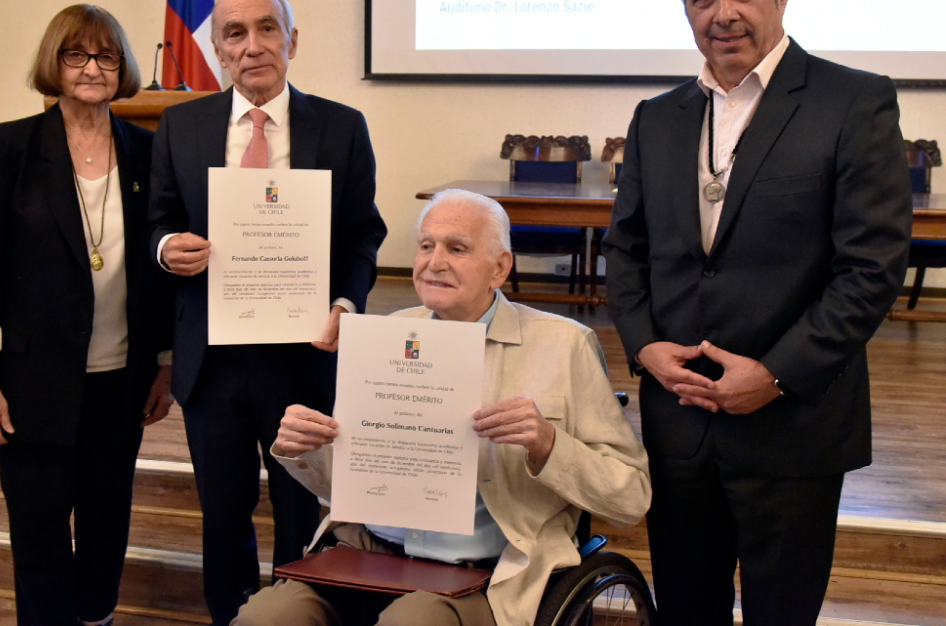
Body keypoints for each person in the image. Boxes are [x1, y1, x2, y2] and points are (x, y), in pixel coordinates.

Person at [602, 0, 912, 626]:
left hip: (792, 423)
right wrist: (646, 347)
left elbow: (869, 269)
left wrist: (772, 375)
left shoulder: (852, 102)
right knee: (686, 608)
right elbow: (628, 251)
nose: (723, 12)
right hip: (678, 421)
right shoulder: (659, 117)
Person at [233, 189, 651, 626]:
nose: (434, 262)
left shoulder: (564, 346)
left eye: (457, 248)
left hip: (488, 572)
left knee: (414, 620)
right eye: (426, 245)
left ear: (500, 267)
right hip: (369, 555)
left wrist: (549, 445)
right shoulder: (389, 333)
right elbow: (345, 487)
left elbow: (630, 498)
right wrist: (306, 449)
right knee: (266, 616)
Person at [149, 0, 387, 624]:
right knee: (221, 512)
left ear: (292, 40)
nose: (252, 46)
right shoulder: (181, 125)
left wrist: (345, 300)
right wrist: (168, 246)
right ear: (219, 50)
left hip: (302, 358)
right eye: (235, 33)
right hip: (212, 359)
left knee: (300, 513)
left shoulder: (340, 127)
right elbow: (159, 221)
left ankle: (299, 615)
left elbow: (365, 231)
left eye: (266, 28)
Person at [0, 4, 175, 626]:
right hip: (29, 384)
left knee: (107, 527)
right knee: (40, 534)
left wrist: (164, 364)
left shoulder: (151, 152)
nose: (93, 68)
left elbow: (158, 277)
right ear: (55, 62)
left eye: (106, 55)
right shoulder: (5, 147)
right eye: (77, 54)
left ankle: (96, 619)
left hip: (119, 382)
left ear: (124, 66)